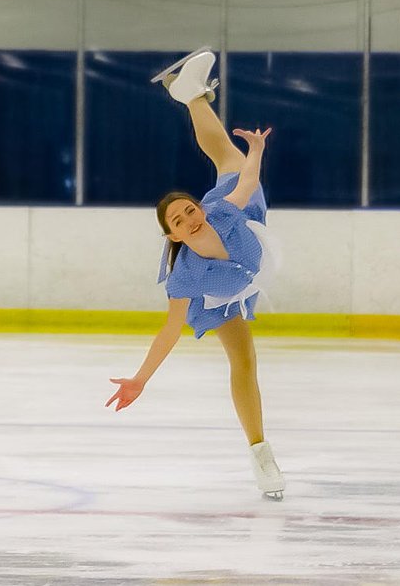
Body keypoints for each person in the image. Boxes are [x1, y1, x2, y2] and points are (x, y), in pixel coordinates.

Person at [104, 48, 286, 501]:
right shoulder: (187, 278)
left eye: (191, 210)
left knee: (230, 157)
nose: (190, 219)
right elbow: (168, 332)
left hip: (248, 238)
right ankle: (261, 454)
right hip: (222, 295)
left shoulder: (219, 212)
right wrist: (140, 379)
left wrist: (257, 150)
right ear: (175, 237)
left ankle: (191, 96)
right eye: (180, 222)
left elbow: (244, 182)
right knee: (244, 363)